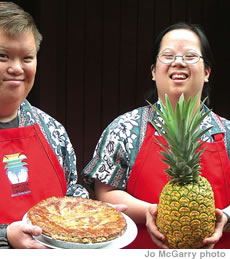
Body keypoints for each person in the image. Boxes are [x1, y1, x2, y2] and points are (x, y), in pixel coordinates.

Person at [82, 22, 230, 249]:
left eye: (190, 56)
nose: (178, 62)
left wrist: (226, 217)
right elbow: (106, 192)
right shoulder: (125, 128)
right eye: (168, 55)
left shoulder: (227, 132)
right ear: (153, 71)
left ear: (207, 72)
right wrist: (152, 212)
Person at [0, 2, 89, 248]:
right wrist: (2, 236)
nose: (17, 68)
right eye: (3, 56)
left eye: (27, 57)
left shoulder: (52, 130)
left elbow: (71, 195)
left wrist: (91, 215)